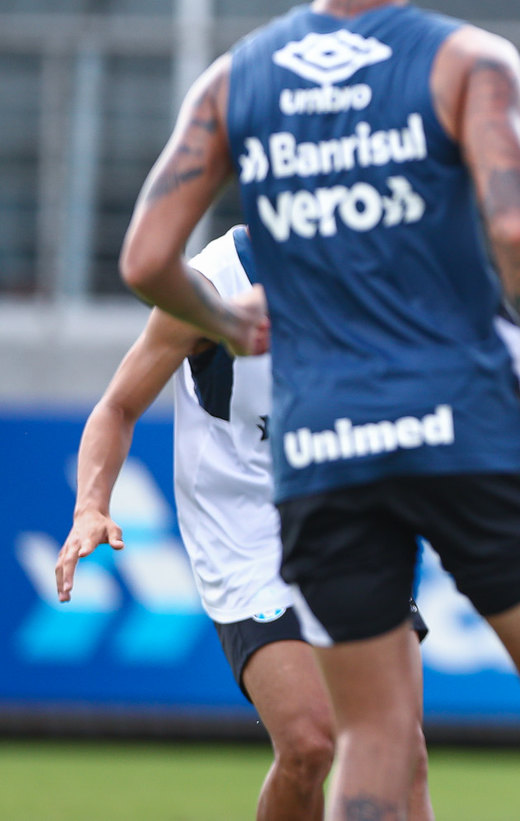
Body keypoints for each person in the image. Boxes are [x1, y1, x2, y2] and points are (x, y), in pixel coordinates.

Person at [117, 0, 520, 821]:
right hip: (463, 424)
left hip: (325, 449)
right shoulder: (465, 60)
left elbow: (145, 260)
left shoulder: (237, 81)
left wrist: (222, 318)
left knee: (368, 736)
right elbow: (519, 231)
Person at [55, 224, 435, 821]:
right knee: (311, 743)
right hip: (244, 532)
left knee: (402, 749)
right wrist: (91, 506)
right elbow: (118, 406)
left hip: (350, 514)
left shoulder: (390, 272)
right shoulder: (213, 285)